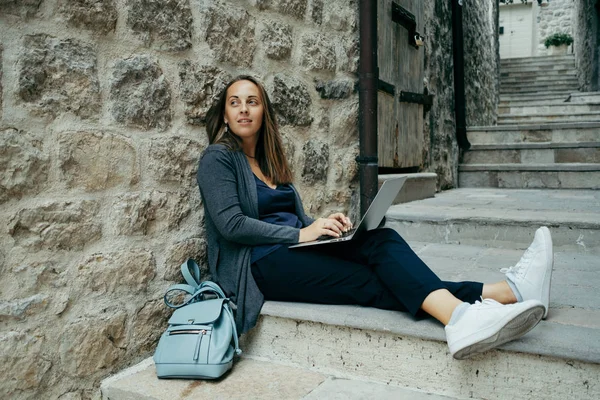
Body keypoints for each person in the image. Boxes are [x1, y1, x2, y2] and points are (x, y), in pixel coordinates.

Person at [196, 75, 553, 360]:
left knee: (381, 240)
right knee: (367, 280)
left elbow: (294, 219)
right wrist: (302, 236)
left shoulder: (271, 162)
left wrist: (323, 226)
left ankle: (500, 296)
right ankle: (475, 310)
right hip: (260, 267)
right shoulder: (218, 159)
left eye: (252, 101)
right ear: (225, 115)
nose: (244, 109)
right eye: (235, 102)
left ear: (264, 112)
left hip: (292, 251)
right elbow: (232, 226)